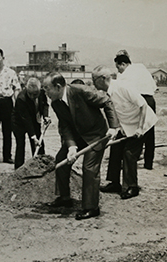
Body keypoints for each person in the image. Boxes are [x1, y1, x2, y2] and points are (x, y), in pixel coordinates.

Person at [42, 72, 119, 220]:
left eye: (47, 88)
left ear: (58, 87)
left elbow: (107, 101)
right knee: (61, 160)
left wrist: (113, 126)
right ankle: (64, 198)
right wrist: (71, 146)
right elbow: (65, 125)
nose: (45, 92)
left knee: (89, 168)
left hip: (95, 134)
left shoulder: (81, 91)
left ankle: (91, 207)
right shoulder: (56, 103)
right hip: (77, 136)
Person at [93, 66, 158, 199]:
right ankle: (114, 182)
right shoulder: (107, 93)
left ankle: (132, 186)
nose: (93, 83)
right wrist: (116, 129)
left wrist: (140, 128)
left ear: (103, 79)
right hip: (126, 125)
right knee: (115, 149)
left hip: (142, 123)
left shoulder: (122, 87)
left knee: (129, 153)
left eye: (94, 79)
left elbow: (143, 105)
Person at [114, 50, 158, 170]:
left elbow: (123, 90)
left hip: (140, 100)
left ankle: (130, 158)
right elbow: (154, 87)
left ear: (123, 64)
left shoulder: (125, 75)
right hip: (151, 99)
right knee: (149, 130)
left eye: (119, 67)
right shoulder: (141, 67)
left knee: (135, 130)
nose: (118, 70)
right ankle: (148, 163)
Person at [12, 78, 50, 169]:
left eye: (35, 94)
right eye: (30, 94)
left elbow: (45, 105)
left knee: (39, 144)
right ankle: (19, 169)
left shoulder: (42, 93)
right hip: (19, 122)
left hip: (34, 119)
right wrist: (33, 136)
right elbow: (26, 119)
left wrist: (45, 116)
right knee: (20, 144)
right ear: (26, 89)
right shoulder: (21, 98)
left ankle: (40, 166)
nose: (32, 96)